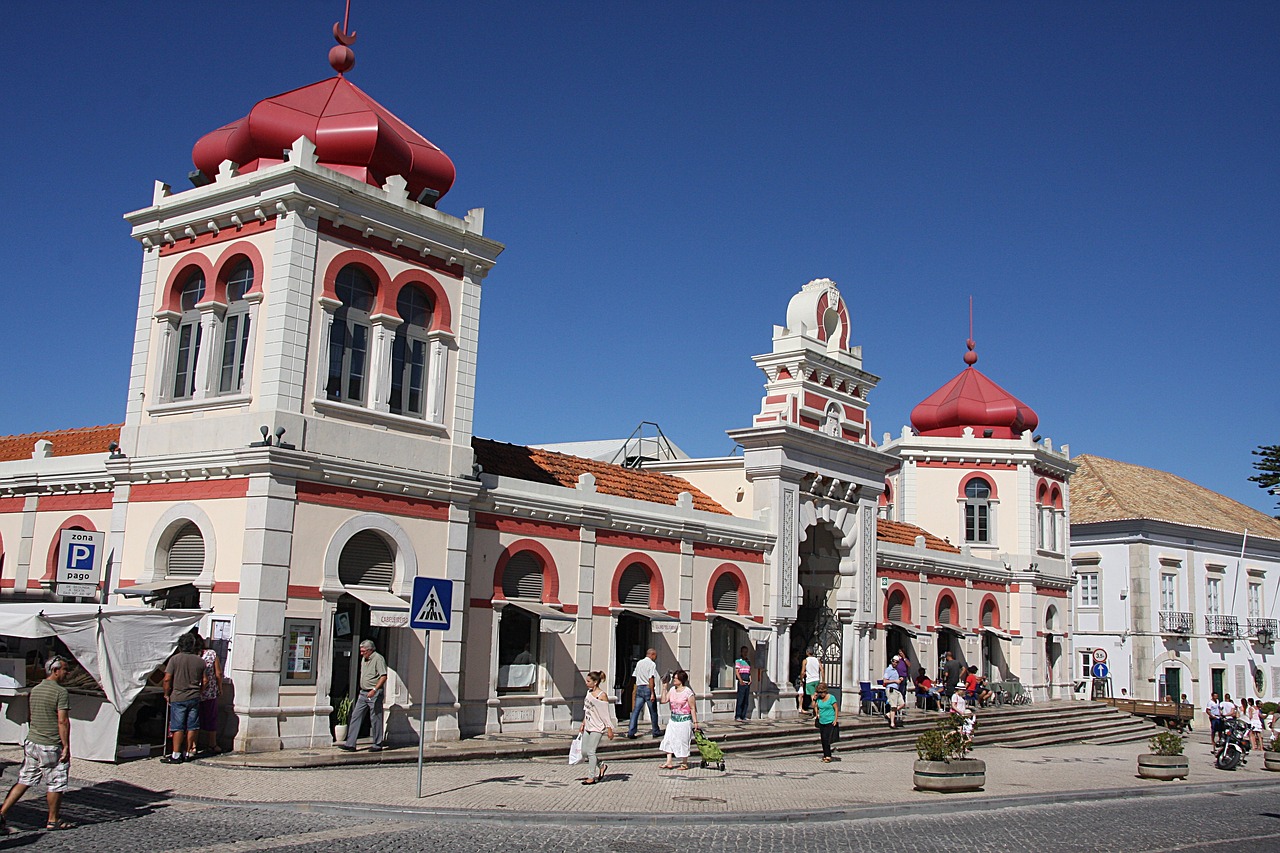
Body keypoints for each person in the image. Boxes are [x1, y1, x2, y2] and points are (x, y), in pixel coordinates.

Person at [0, 656, 74, 832]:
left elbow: (30, 716)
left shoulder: (36, 689)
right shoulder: (60, 692)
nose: (67, 673)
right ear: (55, 671)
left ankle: (2, 812)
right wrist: (66, 746)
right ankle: (53, 820)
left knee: (24, 780)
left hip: (32, 741)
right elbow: (62, 721)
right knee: (56, 781)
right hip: (50, 743)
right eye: (65, 669)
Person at [162, 632, 208, 764]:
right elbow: (205, 681)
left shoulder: (174, 660)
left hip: (178, 695)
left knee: (178, 726)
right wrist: (200, 692)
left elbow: (167, 679)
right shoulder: (200, 661)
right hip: (194, 696)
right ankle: (188, 752)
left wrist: (166, 693)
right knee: (192, 725)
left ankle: (176, 754)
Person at [338, 639, 387, 752]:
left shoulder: (378, 659)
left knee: (375, 718)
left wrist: (374, 690)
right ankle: (350, 744)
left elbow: (383, 676)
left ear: (370, 650)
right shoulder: (364, 659)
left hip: (373, 693)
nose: (361, 653)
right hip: (363, 693)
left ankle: (377, 744)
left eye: (363, 651)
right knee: (355, 716)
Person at [578, 670, 615, 785]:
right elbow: (587, 710)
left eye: (588, 681)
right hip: (588, 725)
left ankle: (591, 777)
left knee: (591, 751)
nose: (586, 683)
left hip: (597, 727)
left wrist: (609, 729)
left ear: (595, 682)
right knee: (584, 752)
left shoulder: (602, 695)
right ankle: (601, 765)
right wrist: (583, 723)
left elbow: (605, 714)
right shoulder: (588, 693)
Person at [658, 670, 697, 770]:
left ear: (681, 679)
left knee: (683, 741)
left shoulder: (688, 692)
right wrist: (664, 687)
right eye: (674, 678)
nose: (674, 680)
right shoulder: (672, 690)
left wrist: (695, 722)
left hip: (684, 720)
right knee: (668, 739)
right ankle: (669, 761)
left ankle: (684, 763)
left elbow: (692, 708)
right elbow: (663, 700)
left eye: (676, 678)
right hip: (673, 720)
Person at [197, 634, 223, 755]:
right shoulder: (212, 654)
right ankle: (212, 743)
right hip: (210, 691)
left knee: (194, 719)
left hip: (195, 692)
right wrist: (220, 687)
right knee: (211, 718)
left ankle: (192, 744)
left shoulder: (193, 655)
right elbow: (218, 673)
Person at [627, 648, 661, 739]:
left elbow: (634, 676)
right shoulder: (652, 664)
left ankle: (631, 731)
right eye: (655, 655)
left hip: (639, 687)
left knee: (636, 711)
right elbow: (651, 678)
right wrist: (652, 693)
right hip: (647, 688)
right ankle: (655, 730)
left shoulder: (639, 663)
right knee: (653, 711)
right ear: (652, 654)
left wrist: (634, 689)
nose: (656, 657)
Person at [813, 682, 839, 763]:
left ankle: (828, 756)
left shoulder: (831, 698)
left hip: (830, 720)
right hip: (822, 721)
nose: (821, 694)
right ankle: (825, 754)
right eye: (819, 693)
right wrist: (814, 699)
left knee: (827, 738)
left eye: (822, 692)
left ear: (825, 691)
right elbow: (815, 706)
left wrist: (835, 719)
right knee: (823, 739)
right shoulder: (819, 699)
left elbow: (836, 708)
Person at [882, 657, 905, 728]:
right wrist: (895, 681)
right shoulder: (888, 670)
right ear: (891, 661)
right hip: (891, 689)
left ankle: (889, 714)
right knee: (893, 706)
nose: (895, 663)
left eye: (897, 662)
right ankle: (892, 723)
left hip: (896, 689)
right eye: (894, 661)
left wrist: (899, 679)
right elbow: (885, 681)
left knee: (902, 704)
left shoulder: (895, 670)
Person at [733, 646, 753, 722]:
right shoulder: (738, 661)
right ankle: (738, 715)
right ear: (741, 652)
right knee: (740, 699)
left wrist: (750, 679)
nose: (745, 653)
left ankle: (743, 715)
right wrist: (740, 680)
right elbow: (737, 671)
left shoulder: (748, 662)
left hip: (747, 682)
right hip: (742, 682)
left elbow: (749, 672)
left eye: (746, 652)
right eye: (744, 652)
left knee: (746, 700)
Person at [801, 648, 821, 716]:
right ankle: (816, 712)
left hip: (810, 681)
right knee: (816, 697)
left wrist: (801, 679)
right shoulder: (817, 660)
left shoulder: (805, 660)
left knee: (813, 698)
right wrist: (823, 680)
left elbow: (802, 672)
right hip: (816, 679)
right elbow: (822, 670)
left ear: (807, 652)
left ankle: (816, 714)